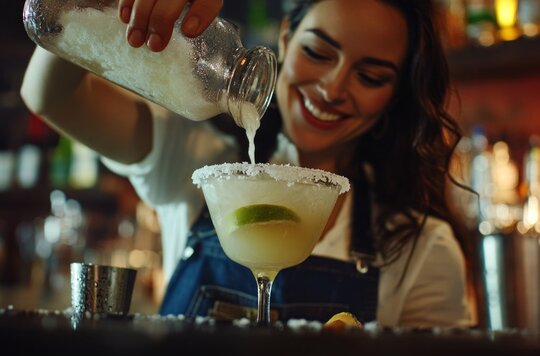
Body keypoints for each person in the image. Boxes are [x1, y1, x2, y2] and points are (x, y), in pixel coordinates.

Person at [20, 0, 475, 328]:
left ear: (394, 96)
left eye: (371, 76)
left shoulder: (420, 248)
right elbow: (48, 97)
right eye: (317, 52)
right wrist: (95, 8)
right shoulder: (198, 158)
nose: (333, 88)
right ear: (284, 39)